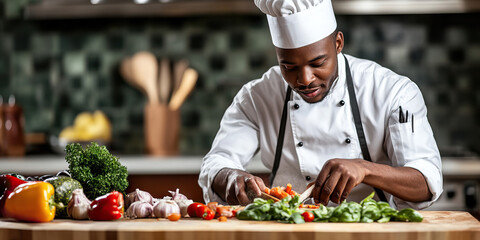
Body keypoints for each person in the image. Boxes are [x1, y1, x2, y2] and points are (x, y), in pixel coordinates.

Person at [199, 0, 442, 209]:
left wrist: (365, 169)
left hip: (369, 232)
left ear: (338, 43)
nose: (304, 79)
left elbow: (426, 181)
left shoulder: (392, 91)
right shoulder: (257, 96)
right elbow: (216, 163)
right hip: (286, 231)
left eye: (317, 63)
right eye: (289, 67)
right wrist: (230, 176)